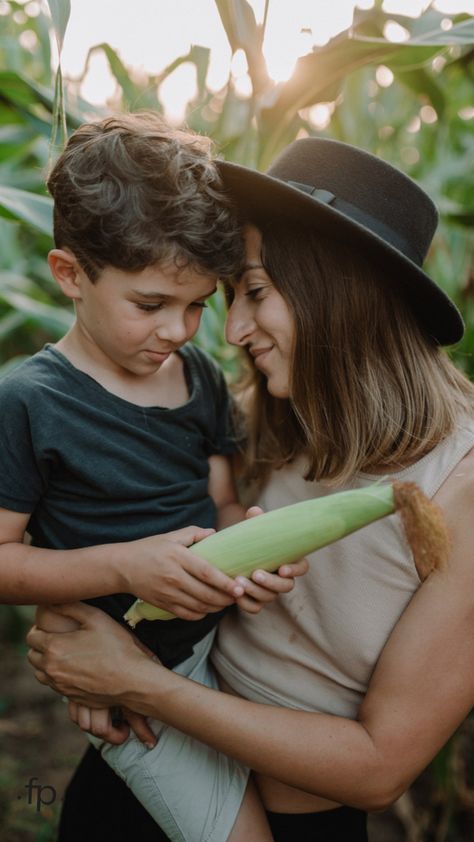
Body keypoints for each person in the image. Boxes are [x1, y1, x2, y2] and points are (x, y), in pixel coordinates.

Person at [27, 137, 474, 842]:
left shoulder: (461, 479)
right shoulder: (259, 410)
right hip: (135, 773)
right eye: (230, 298)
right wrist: (89, 636)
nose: (232, 330)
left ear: (342, 288)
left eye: (256, 292)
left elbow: (381, 766)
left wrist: (134, 682)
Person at [0, 113, 309, 842]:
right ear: (71, 274)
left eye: (198, 304)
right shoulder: (30, 403)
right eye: (151, 305)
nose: (179, 330)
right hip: (132, 677)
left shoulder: (196, 376)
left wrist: (253, 548)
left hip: (216, 661)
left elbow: (222, 503)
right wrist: (124, 567)